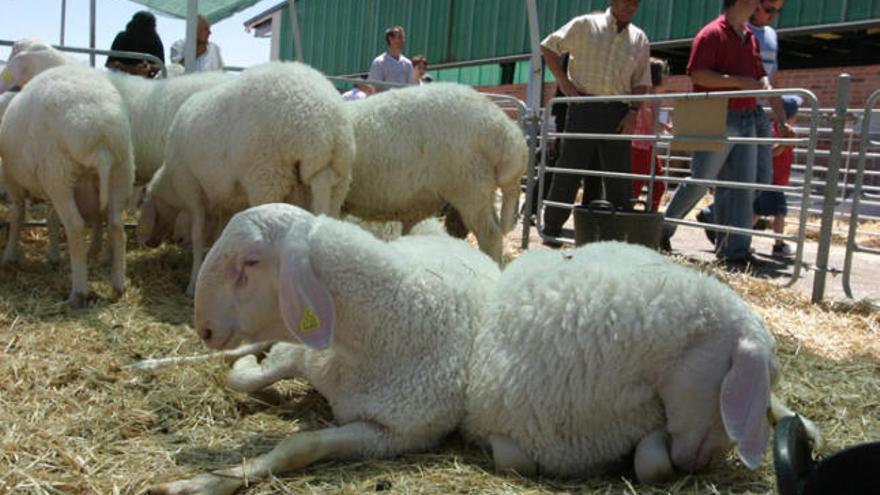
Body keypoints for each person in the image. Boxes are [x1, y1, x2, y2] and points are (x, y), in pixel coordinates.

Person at [660, 0, 794, 267]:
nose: (763, 7)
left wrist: (764, 86)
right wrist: (740, 82)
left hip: (745, 116)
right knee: (701, 179)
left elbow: (760, 75)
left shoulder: (748, 37)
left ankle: (736, 250)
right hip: (719, 115)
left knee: (744, 186)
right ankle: (662, 230)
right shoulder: (712, 33)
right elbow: (698, 74)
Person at [539, 0, 651, 246]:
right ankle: (552, 229)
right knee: (569, 168)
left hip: (620, 111)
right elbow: (548, 46)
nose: (631, 6)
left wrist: (634, 111)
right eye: (626, 0)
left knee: (619, 175)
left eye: (636, 2)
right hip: (584, 106)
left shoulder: (640, 38)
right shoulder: (585, 24)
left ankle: (618, 236)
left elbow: (642, 79)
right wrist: (564, 83)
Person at [697, 0, 786, 242]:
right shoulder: (720, 31)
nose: (771, 15)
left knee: (756, 178)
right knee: (709, 178)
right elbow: (699, 73)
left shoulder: (760, 37)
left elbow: (769, 78)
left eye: (778, 11)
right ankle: (728, 241)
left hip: (754, 111)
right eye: (768, 8)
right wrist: (740, 83)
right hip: (727, 110)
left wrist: (781, 116)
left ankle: (723, 230)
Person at [754, 95, 801, 257]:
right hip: (772, 180)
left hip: (774, 180)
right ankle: (778, 245)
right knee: (779, 213)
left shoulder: (782, 130)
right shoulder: (775, 131)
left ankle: (738, 237)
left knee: (757, 211)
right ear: (792, 116)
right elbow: (772, 152)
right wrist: (784, 143)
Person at [630, 58, 672, 212]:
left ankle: (649, 216)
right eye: (665, 73)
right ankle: (625, 217)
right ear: (656, 75)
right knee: (636, 186)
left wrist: (666, 127)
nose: (668, 76)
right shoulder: (648, 94)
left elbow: (652, 119)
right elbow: (649, 119)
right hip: (640, 145)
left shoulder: (653, 94)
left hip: (647, 145)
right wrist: (663, 129)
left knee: (657, 186)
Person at [105, 11, 165, 78]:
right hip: (121, 80)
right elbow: (110, 64)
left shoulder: (155, 40)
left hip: (147, 82)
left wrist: (149, 67)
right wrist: (133, 69)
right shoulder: (122, 37)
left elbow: (161, 65)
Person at [367, 26, 417, 90]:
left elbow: (412, 87)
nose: (403, 40)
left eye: (403, 38)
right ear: (390, 39)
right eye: (399, 37)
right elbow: (374, 87)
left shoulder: (408, 63)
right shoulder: (379, 62)